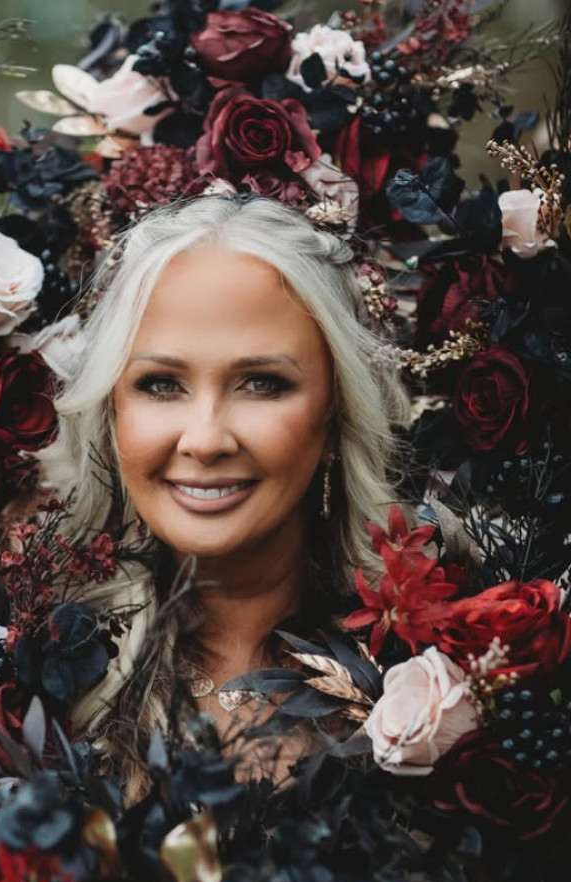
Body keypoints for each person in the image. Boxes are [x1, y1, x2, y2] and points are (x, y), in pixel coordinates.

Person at [39, 193, 409, 799]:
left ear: (337, 418)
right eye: (161, 384)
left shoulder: (446, 653)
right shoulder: (26, 654)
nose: (206, 439)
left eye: (262, 383)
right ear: (111, 412)